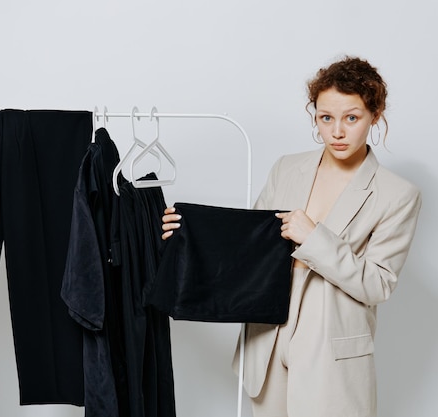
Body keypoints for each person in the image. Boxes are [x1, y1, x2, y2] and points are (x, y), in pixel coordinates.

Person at [161, 56, 422, 417]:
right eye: (326, 117)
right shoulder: (287, 168)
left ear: (374, 115)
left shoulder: (397, 194)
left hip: (331, 357)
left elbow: (378, 283)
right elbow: (247, 248)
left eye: (352, 117)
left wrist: (315, 238)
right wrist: (187, 232)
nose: (338, 131)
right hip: (266, 344)